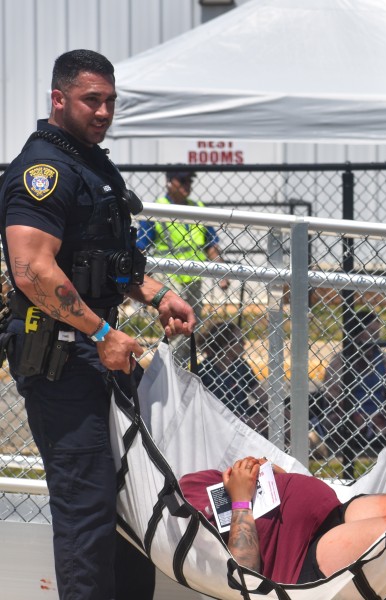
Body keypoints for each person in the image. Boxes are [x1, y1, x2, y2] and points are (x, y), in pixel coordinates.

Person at [0, 49, 197, 600]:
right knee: (86, 510)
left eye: (110, 100)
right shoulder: (44, 170)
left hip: (99, 352)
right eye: (92, 100)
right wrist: (103, 333)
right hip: (63, 359)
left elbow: (105, 259)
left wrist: (157, 294)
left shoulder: (90, 162)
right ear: (58, 99)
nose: (104, 111)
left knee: (134, 502)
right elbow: (32, 270)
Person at [179, 456, 386, 584]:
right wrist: (241, 499)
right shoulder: (185, 523)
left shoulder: (192, 481)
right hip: (305, 555)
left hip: (333, 512)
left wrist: (271, 477)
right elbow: (244, 574)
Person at [137, 170, 229, 360]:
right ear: (169, 182)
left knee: (193, 325)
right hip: (169, 276)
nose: (188, 185)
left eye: (189, 181)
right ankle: (173, 367)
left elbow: (210, 244)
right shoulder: (158, 209)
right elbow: (141, 245)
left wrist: (222, 272)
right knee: (177, 327)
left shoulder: (198, 208)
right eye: (183, 181)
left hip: (194, 277)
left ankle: (182, 367)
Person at [322, 309, 386, 477]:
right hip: (349, 416)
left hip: (377, 417)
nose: (376, 338)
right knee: (340, 423)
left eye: (377, 333)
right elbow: (332, 398)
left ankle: (379, 437)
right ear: (358, 334)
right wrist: (357, 414)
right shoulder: (342, 360)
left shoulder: (382, 360)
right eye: (371, 333)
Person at [198, 320, 267, 425]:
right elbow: (216, 412)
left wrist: (278, 410)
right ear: (226, 344)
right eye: (239, 340)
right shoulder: (205, 371)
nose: (244, 343)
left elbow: (260, 394)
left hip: (245, 415)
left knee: (283, 409)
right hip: (223, 422)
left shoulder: (240, 365)